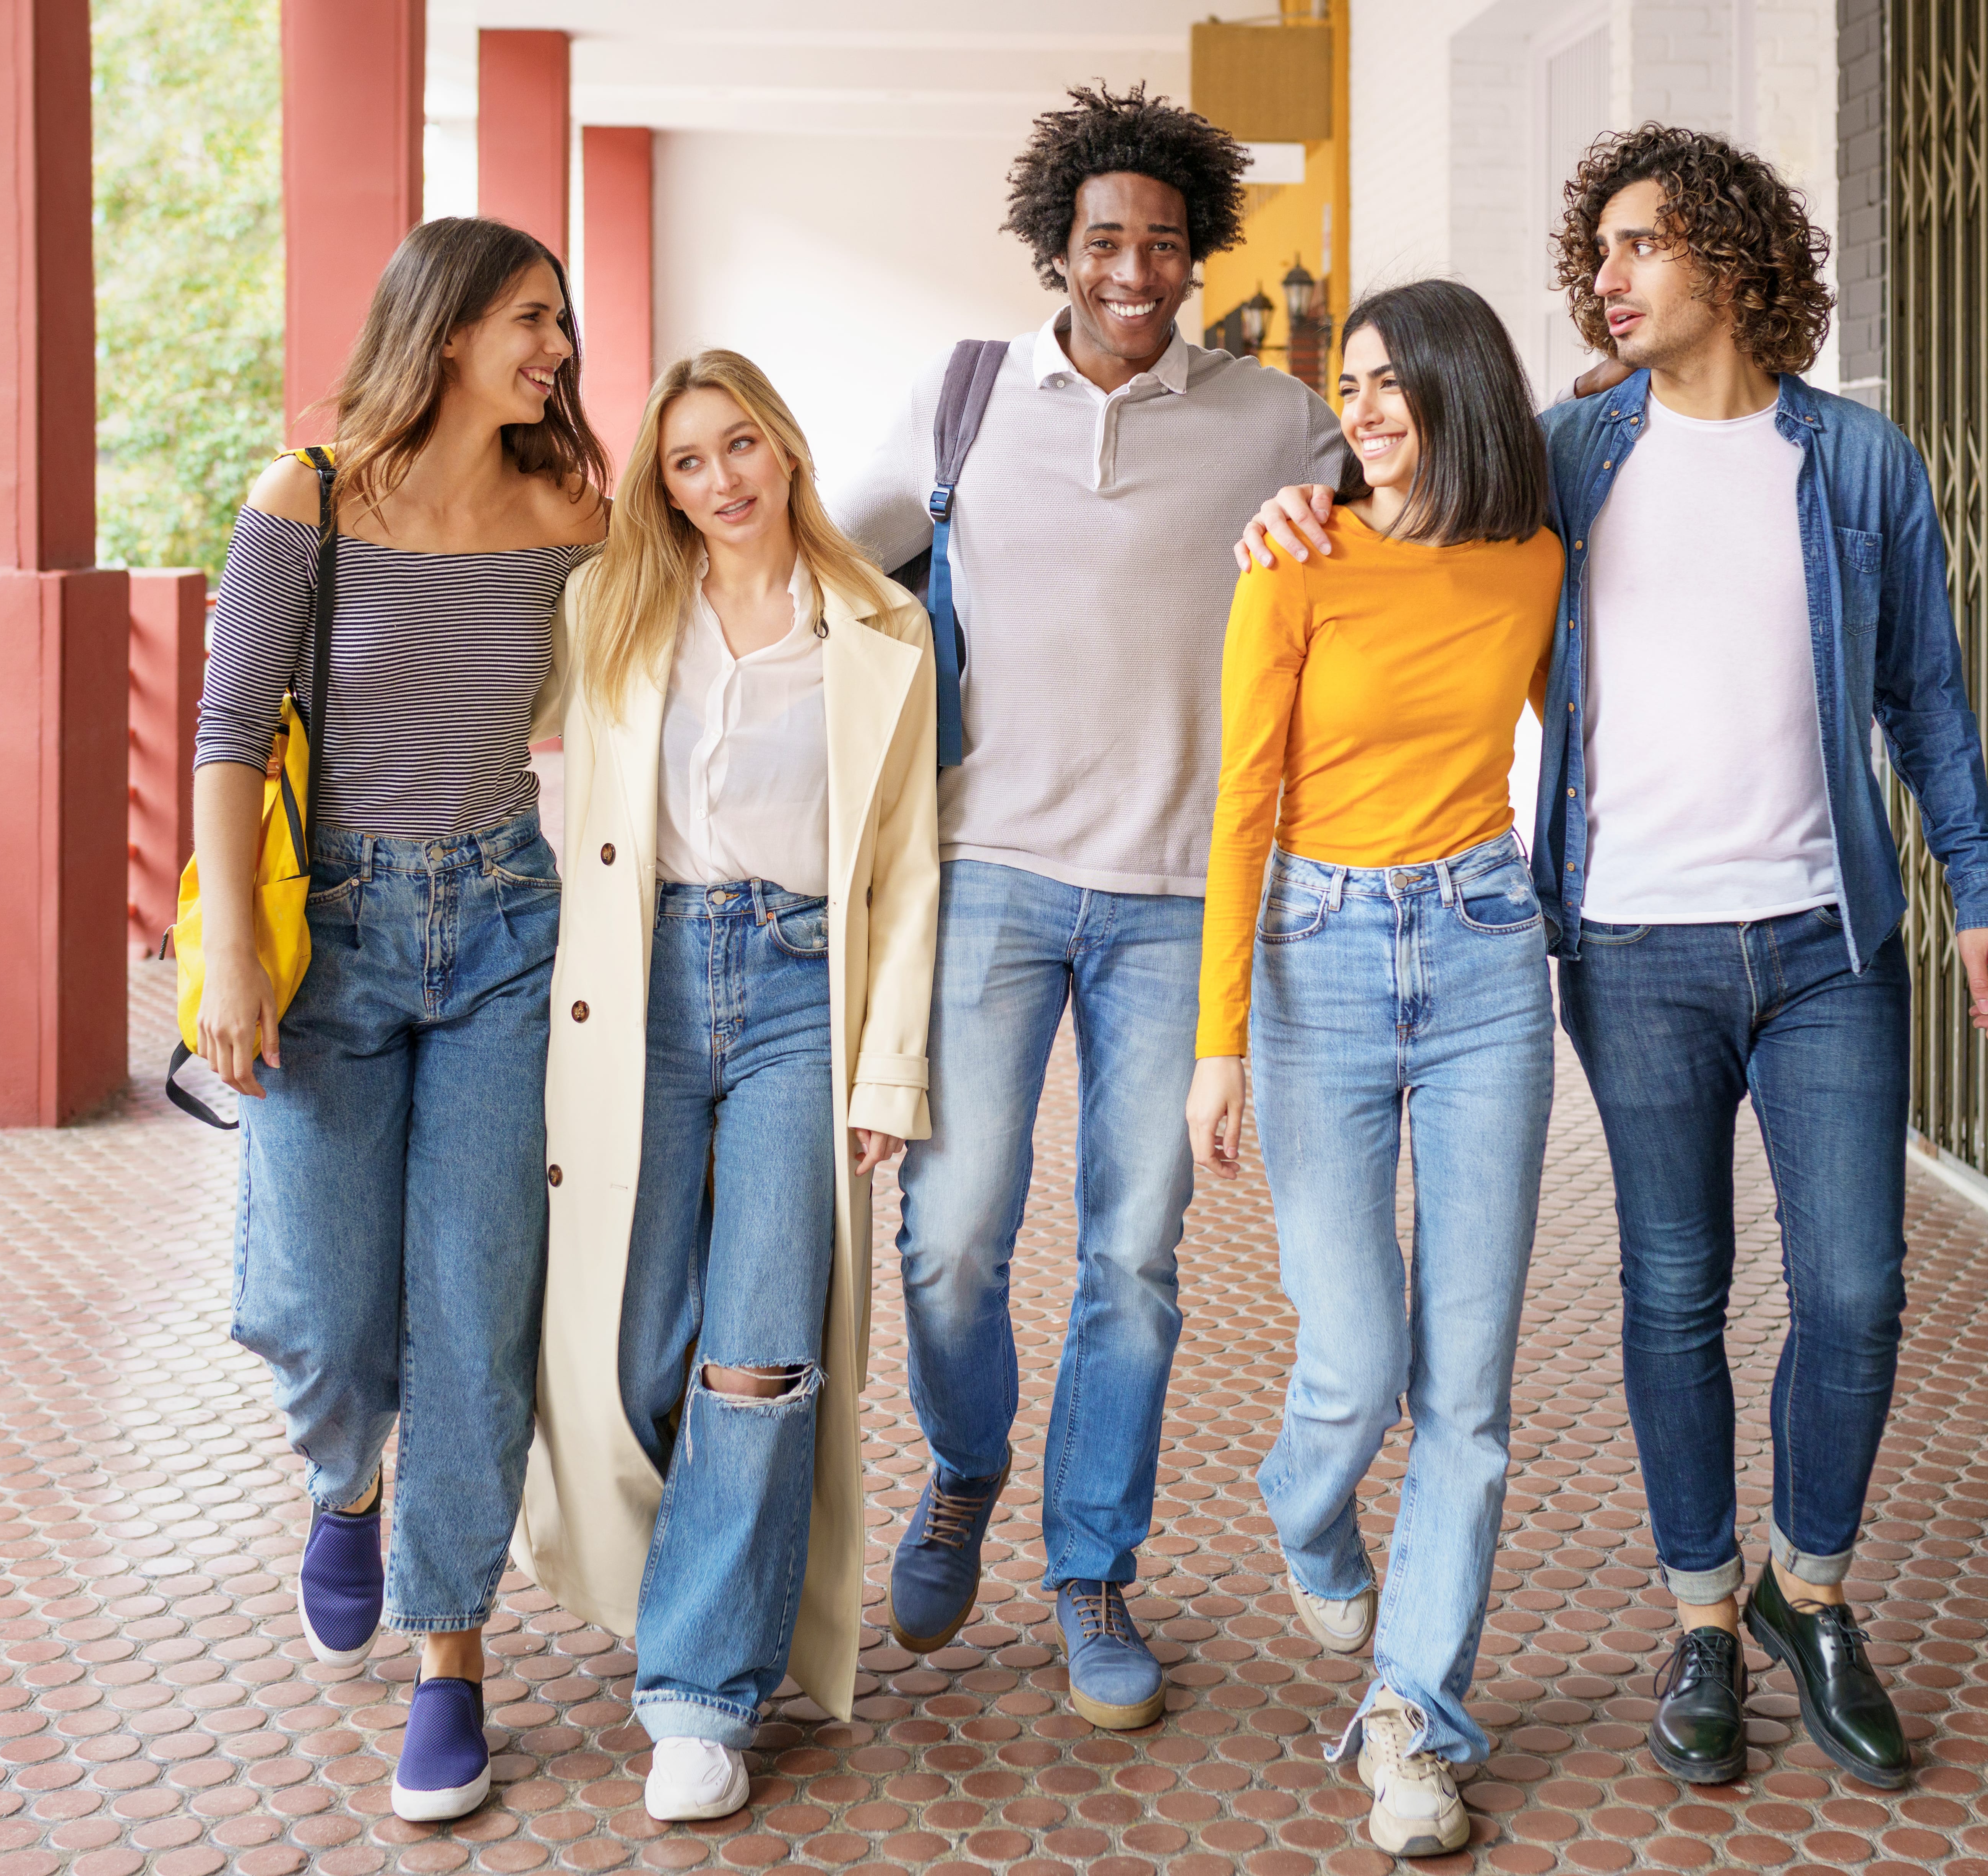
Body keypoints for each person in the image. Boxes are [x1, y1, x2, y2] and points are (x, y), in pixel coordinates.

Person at [1240, 124, 1988, 1795]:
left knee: (1854, 1288)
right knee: (1674, 1292)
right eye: (1593, 254)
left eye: (1636, 247)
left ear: (1732, 262)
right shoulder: (1563, 456)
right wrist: (1293, 510)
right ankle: (1698, 1622)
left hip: (1826, 942)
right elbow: (1404, 505)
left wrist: (1979, 888)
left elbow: (1929, 703)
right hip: (1628, 945)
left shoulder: (1860, 465)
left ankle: (1807, 1593)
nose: (1602, 282)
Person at [825, 82, 1347, 1730]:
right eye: (1105, 240)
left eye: (1165, 243)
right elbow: (819, 571)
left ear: (1199, 256)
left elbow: (1405, 543)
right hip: (990, 877)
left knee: (1134, 1250)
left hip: (1183, 898)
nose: (1135, 268)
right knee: (951, 1236)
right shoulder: (962, 402)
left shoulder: (1275, 419)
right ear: (1056, 249)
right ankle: (968, 1470)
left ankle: (1088, 1562)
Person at [189, 217, 609, 1824]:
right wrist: (237, 955)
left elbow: (668, 660)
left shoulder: (570, 509)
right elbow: (231, 726)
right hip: (332, 942)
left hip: (508, 925)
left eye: (561, 322)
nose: (558, 350)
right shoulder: (306, 495)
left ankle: (453, 1660)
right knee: (319, 1306)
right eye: (530, 318)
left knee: (475, 1306)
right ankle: (342, 1477)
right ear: (441, 333)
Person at [513, 351, 939, 1824]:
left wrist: (890, 1065)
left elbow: (909, 865)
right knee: (630, 1343)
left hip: (802, 997)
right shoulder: (612, 608)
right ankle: (655, 1563)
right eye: (686, 462)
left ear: (785, 446)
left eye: (738, 445)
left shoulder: (880, 625)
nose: (720, 482)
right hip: (643, 989)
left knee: (760, 1353)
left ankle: (701, 1689)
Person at [1186, 279, 1561, 1859]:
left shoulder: (1534, 560)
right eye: (1350, 383)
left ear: (1463, 392)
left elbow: (1602, 730)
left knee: (1466, 1395)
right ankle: (1304, 1506)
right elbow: (1242, 805)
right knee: (1356, 1358)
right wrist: (1216, 1043)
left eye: (1398, 382)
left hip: (1485, 952)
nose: (1367, 408)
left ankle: (1413, 1719)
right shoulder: (1294, 562)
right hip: (1315, 961)